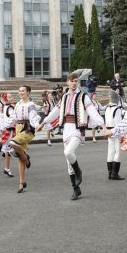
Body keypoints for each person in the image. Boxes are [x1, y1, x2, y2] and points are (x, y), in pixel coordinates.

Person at [39, 72, 104, 200]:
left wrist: (103, 125)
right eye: (72, 81)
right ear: (67, 83)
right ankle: (75, 189)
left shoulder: (83, 96)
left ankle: (78, 171)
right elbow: (55, 112)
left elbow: (93, 112)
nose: (74, 83)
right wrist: (44, 122)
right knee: (68, 161)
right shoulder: (64, 97)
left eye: (76, 81)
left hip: (77, 128)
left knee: (68, 152)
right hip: (66, 129)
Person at [7, 85, 43, 193]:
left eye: (23, 91)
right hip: (18, 128)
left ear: (28, 92)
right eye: (19, 91)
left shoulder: (30, 105)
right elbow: (13, 117)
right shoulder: (17, 104)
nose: (20, 92)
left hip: (27, 129)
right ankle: (21, 183)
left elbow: (32, 116)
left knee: (13, 143)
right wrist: (4, 125)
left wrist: (37, 125)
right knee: (20, 157)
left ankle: (27, 159)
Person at [104, 90, 127, 181]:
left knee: (110, 151)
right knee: (117, 151)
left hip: (108, 130)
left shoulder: (107, 107)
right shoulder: (117, 109)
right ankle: (114, 173)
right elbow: (118, 123)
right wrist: (121, 134)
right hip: (115, 131)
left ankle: (110, 173)